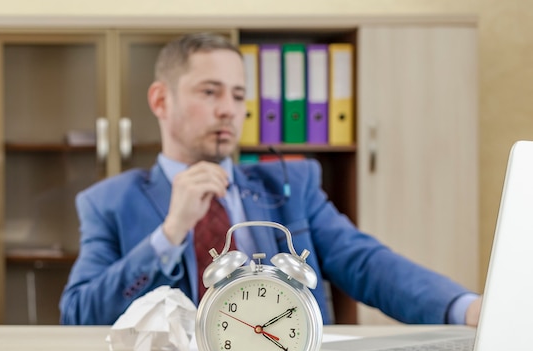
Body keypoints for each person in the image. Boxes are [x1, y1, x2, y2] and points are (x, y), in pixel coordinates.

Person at [59, 32, 481, 326]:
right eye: (210, 92)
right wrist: (170, 234)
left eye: (238, 95)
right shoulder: (108, 202)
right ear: (160, 100)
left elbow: (366, 264)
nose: (228, 109)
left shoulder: (290, 184)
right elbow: (79, 315)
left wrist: (465, 308)